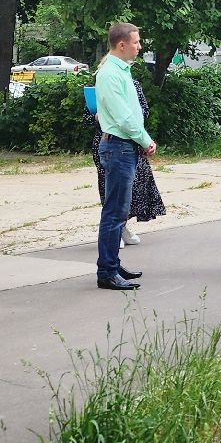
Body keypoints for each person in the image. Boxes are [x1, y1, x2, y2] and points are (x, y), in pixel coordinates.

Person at [94, 22, 156, 291]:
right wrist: (144, 139)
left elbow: (131, 111)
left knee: (119, 211)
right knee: (114, 212)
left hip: (124, 146)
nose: (140, 46)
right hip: (119, 146)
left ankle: (112, 263)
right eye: (136, 42)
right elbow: (123, 116)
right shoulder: (110, 73)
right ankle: (106, 272)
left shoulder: (121, 70)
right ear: (122, 45)